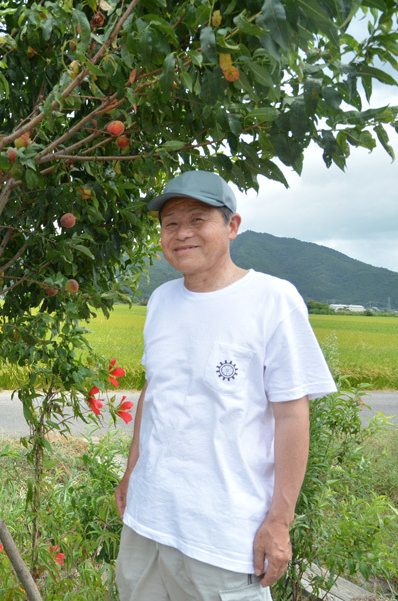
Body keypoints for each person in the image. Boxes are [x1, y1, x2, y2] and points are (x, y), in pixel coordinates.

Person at [114, 171, 337, 601]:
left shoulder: (273, 300)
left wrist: (280, 521)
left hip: (223, 536)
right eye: (171, 224)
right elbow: (154, 392)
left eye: (198, 219)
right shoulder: (161, 300)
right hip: (147, 521)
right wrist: (131, 472)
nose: (182, 234)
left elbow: (292, 414)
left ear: (232, 226)